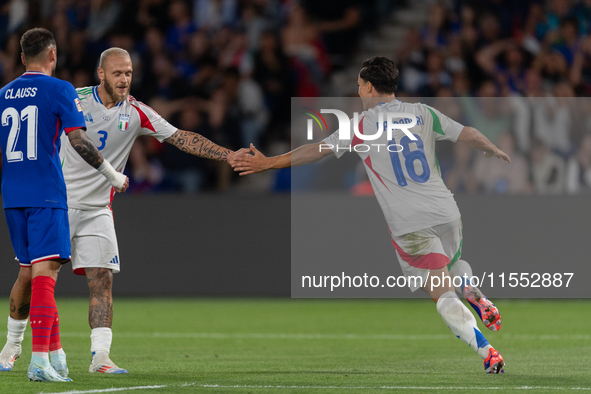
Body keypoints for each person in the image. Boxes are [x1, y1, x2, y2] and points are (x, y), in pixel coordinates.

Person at [231, 57, 510, 374]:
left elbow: (316, 150)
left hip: (410, 224)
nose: (359, 90)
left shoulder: (361, 125)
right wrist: (491, 149)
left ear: (371, 87)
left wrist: (269, 163)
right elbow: (469, 133)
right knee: (454, 263)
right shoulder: (423, 112)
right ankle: (473, 290)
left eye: (360, 85)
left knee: (440, 292)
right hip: (446, 211)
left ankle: (486, 350)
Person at [0, 47, 241, 375]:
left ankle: (100, 357)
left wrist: (229, 155)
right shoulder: (75, 99)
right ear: (101, 74)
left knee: (102, 280)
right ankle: (12, 347)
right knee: (31, 276)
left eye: (128, 73)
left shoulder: (137, 112)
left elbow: (180, 137)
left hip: (98, 208)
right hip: (57, 202)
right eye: (117, 73)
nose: (124, 79)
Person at [0, 28, 128, 382]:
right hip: (48, 194)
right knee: (45, 275)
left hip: (12, 196)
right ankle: (39, 361)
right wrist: (111, 175)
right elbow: (78, 139)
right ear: (53, 55)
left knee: (32, 270)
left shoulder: (3, 94)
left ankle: (53, 356)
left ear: (23, 57)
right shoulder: (60, 89)